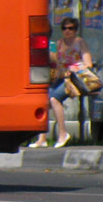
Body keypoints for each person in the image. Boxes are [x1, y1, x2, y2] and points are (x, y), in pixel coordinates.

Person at [30, 16, 94, 148]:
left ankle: (63, 134)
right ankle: (42, 138)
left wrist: (73, 69)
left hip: (75, 78)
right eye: (64, 28)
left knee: (54, 99)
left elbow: (88, 64)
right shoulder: (59, 44)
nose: (67, 31)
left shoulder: (80, 42)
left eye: (71, 28)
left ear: (75, 30)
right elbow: (59, 63)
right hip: (62, 78)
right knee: (44, 100)